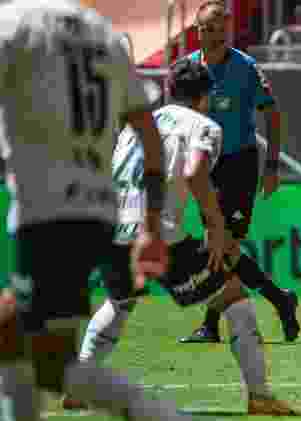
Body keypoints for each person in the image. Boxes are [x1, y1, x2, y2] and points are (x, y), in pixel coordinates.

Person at [63, 59, 297, 415]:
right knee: (235, 299)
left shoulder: (134, 127)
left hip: (113, 228)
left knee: (119, 303)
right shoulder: (202, 125)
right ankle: (259, 396)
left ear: (169, 91)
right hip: (159, 234)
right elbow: (195, 171)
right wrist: (215, 226)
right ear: (206, 96)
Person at [0, 1, 186, 420]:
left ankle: (163, 416)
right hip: (98, 215)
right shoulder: (102, 32)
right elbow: (149, 138)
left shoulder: (11, 24)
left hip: (45, 211)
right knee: (30, 347)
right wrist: (151, 227)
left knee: (36, 351)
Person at [179, 0, 300, 344]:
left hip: (239, 165)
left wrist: (273, 165)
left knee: (223, 245)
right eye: (206, 27)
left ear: (227, 29)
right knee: (219, 247)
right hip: (204, 168)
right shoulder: (187, 69)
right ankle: (280, 298)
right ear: (197, 31)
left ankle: (211, 325)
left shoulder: (245, 67)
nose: (212, 34)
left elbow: (272, 114)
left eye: (218, 27)